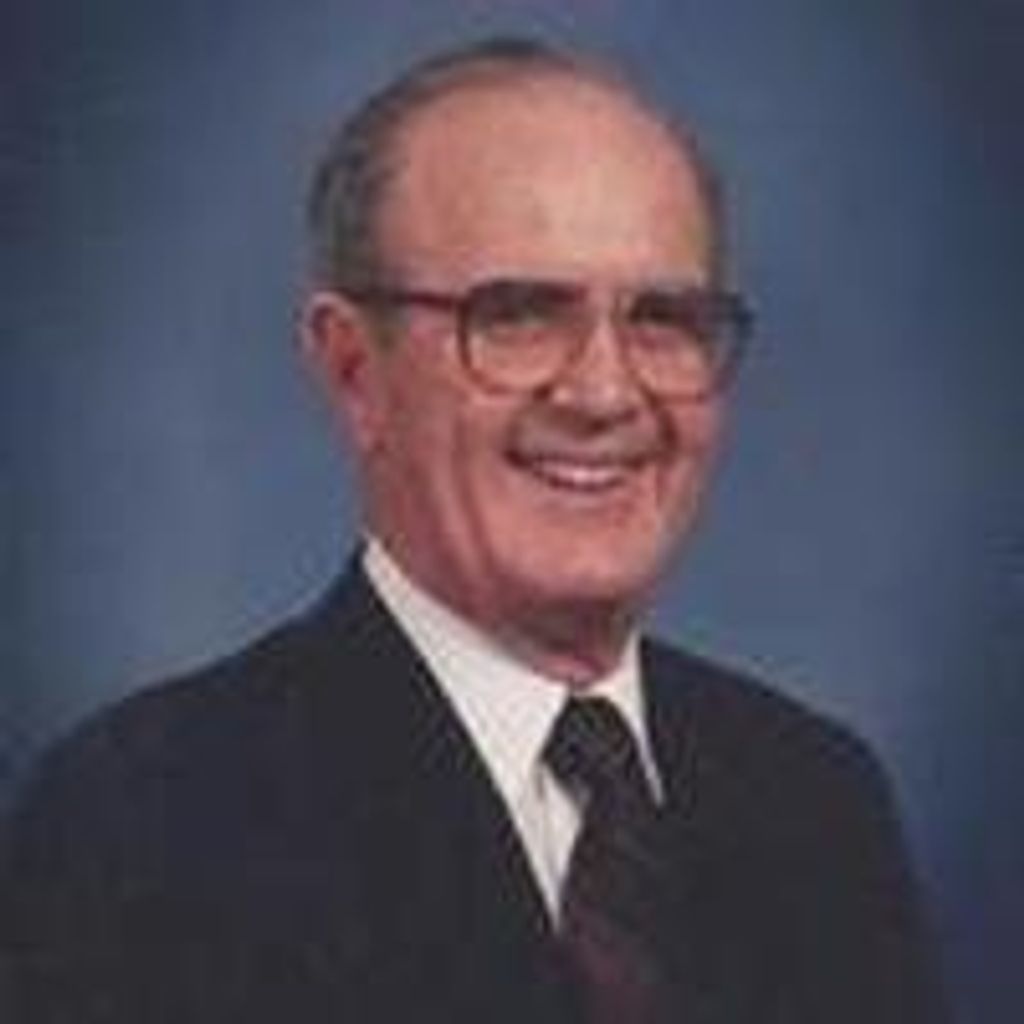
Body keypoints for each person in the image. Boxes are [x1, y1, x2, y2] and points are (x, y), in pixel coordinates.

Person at [2, 36, 947, 1024]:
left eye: (662, 318)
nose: (603, 392)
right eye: (520, 314)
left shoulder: (815, 800)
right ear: (354, 372)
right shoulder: (147, 822)